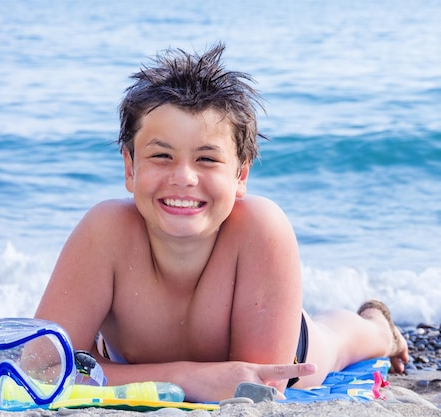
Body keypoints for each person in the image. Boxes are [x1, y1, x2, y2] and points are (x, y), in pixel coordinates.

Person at [34, 43, 409, 403]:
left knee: (341, 340)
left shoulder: (259, 228)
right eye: (161, 155)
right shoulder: (106, 232)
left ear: (241, 175)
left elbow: (258, 385)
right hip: (170, 364)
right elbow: (39, 366)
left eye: (207, 159)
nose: (183, 177)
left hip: (289, 349)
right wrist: (187, 377)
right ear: (130, 168)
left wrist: (103, 371)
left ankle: (378, 324)